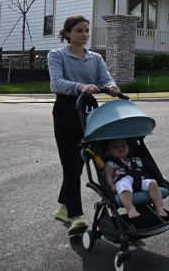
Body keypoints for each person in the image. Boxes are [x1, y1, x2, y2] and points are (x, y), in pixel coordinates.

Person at [48, 15, 119, 235]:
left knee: (85, 163)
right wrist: (81, 87)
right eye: (79, 30)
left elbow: (105, 78)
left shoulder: (95, 57)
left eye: (86, 30)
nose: (84, 34)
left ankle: (63, 207)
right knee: (71, 165)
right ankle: (75, 216)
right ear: (68, 33)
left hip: (89, 111)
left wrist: (111, 86)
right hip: (66, 111)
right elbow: (56, 83)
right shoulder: (57, 55)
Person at [104, 138, 168, 219]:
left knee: (153, 183)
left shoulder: (134, 159)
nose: (121, 148)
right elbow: (108, 176)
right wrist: (111, 185)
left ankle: (158, 207)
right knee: (123, 187)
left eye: (123, 145)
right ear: (108, 152)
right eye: (116, 147)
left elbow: (144, 169)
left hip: (139, 178)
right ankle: (130, 209)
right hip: (123, 180)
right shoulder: (110, 164)